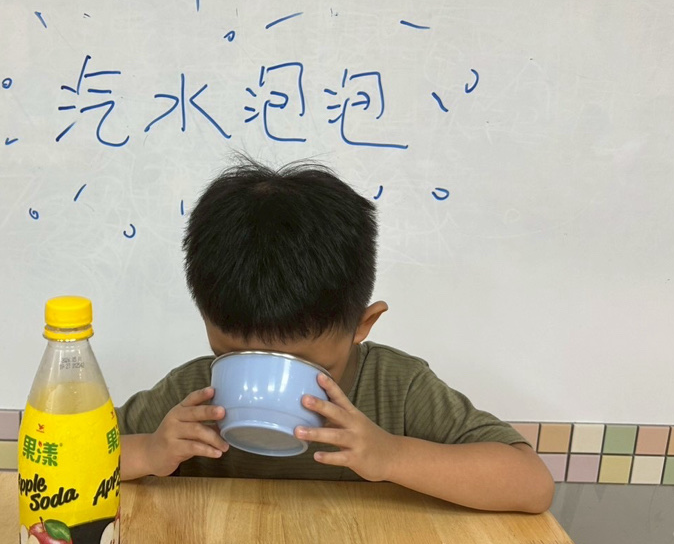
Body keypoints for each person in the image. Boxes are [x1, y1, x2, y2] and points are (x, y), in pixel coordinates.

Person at [117, 161, 554, 513]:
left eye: (307, 364)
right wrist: (149, 452)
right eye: (234, 354)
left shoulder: (397, 388)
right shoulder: (195, 394)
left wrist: (392, 456)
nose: (268, 375)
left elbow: (531, 484)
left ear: (362, 325)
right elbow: (76, 455)